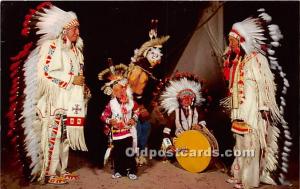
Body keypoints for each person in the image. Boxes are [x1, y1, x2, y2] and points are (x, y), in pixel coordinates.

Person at [8, 2, 89, 185]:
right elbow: (44, 74)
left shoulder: (77, 52)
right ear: (63, 30)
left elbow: (79, 77)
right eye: (74, 29)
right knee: (53, 136)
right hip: (53, 102)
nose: (77, 32)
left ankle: (63, 169)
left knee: (66, 137)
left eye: (78, 29)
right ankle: (49, 173)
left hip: (70, 102)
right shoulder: (51, 47)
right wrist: (70, 80)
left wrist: (83, 87)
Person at [222, 9, 292, 189]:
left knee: (251, 144)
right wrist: (228, 62)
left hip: (252, 110)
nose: (231, 45)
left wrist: (264, 106)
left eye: (233, 42)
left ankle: (249, 181)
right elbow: (231, 83)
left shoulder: (257, 59)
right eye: (230, 42)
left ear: (243, 41)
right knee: (239, 143)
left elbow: (266, 85)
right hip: (239, 108)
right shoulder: (239, 59)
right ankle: (238, 175)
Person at [99, 63, 139, 180]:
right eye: (116, 90)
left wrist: (133, 119)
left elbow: (137, 111)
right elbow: (103, 116)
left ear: (125, 88)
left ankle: (131, 170)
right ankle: (119, 170)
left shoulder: (131, 102)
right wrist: (109, 120)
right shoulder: (111, 104)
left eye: (121, 89)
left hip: (129, 131)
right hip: (117, 133)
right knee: (118, 152)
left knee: (129, 152)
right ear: (113, 92)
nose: (119, 92)